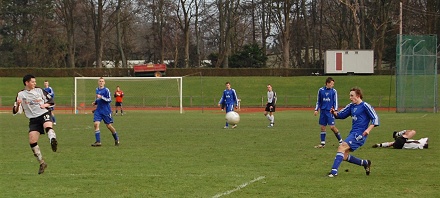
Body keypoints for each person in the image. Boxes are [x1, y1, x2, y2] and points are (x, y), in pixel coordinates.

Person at [327, 87, 379, 177]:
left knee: (342, 147)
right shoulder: (351, 106)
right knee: (344, 156)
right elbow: (341, 115)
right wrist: (334, 113)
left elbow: (375, 118)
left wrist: (368, 130)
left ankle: (333, 172)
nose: (350, 98)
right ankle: (365, 163)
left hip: (360, 134)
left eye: (352, 96)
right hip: (353, 133)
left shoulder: (365, 106)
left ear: (358, 96)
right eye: (350, 96)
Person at [12, 74, 58, 174]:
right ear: (26, 83)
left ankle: (53, 140)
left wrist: (44, 105)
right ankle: (42, 163)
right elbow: (15, 111)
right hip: (33, 120)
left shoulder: (39, 91)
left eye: (35, 82)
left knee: (48, 126)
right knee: (32, 140)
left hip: (44, 114)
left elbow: (51, 101)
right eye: (32, 82)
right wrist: (18, 104)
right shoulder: (20, 94)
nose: (35, 83)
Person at [314, 77, 342, 148]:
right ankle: (322, 144)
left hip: (330, 112)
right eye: (332, 84)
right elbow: (319, 101)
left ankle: (341, 141)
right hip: (323, 111)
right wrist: (316, 109)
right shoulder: (321, 90)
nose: (333, 85)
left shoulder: (334, 91)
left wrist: (335, 110)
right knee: (323, 127)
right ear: (328, 83)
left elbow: (335, 101)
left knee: (332, 127)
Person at [91, 77, 120, 147]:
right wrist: (95, 102)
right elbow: (98, 99)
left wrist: (102, 97)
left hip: (106, 111)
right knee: (96, 124)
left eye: (102, 81)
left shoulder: (106, 90)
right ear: (98, 82)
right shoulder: (97, 89)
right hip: (98, 110)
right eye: (100, 81)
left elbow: (109, 100)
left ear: (104, 82)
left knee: (109, 126)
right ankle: (98, 142)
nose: (101, 82)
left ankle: (116, 138)